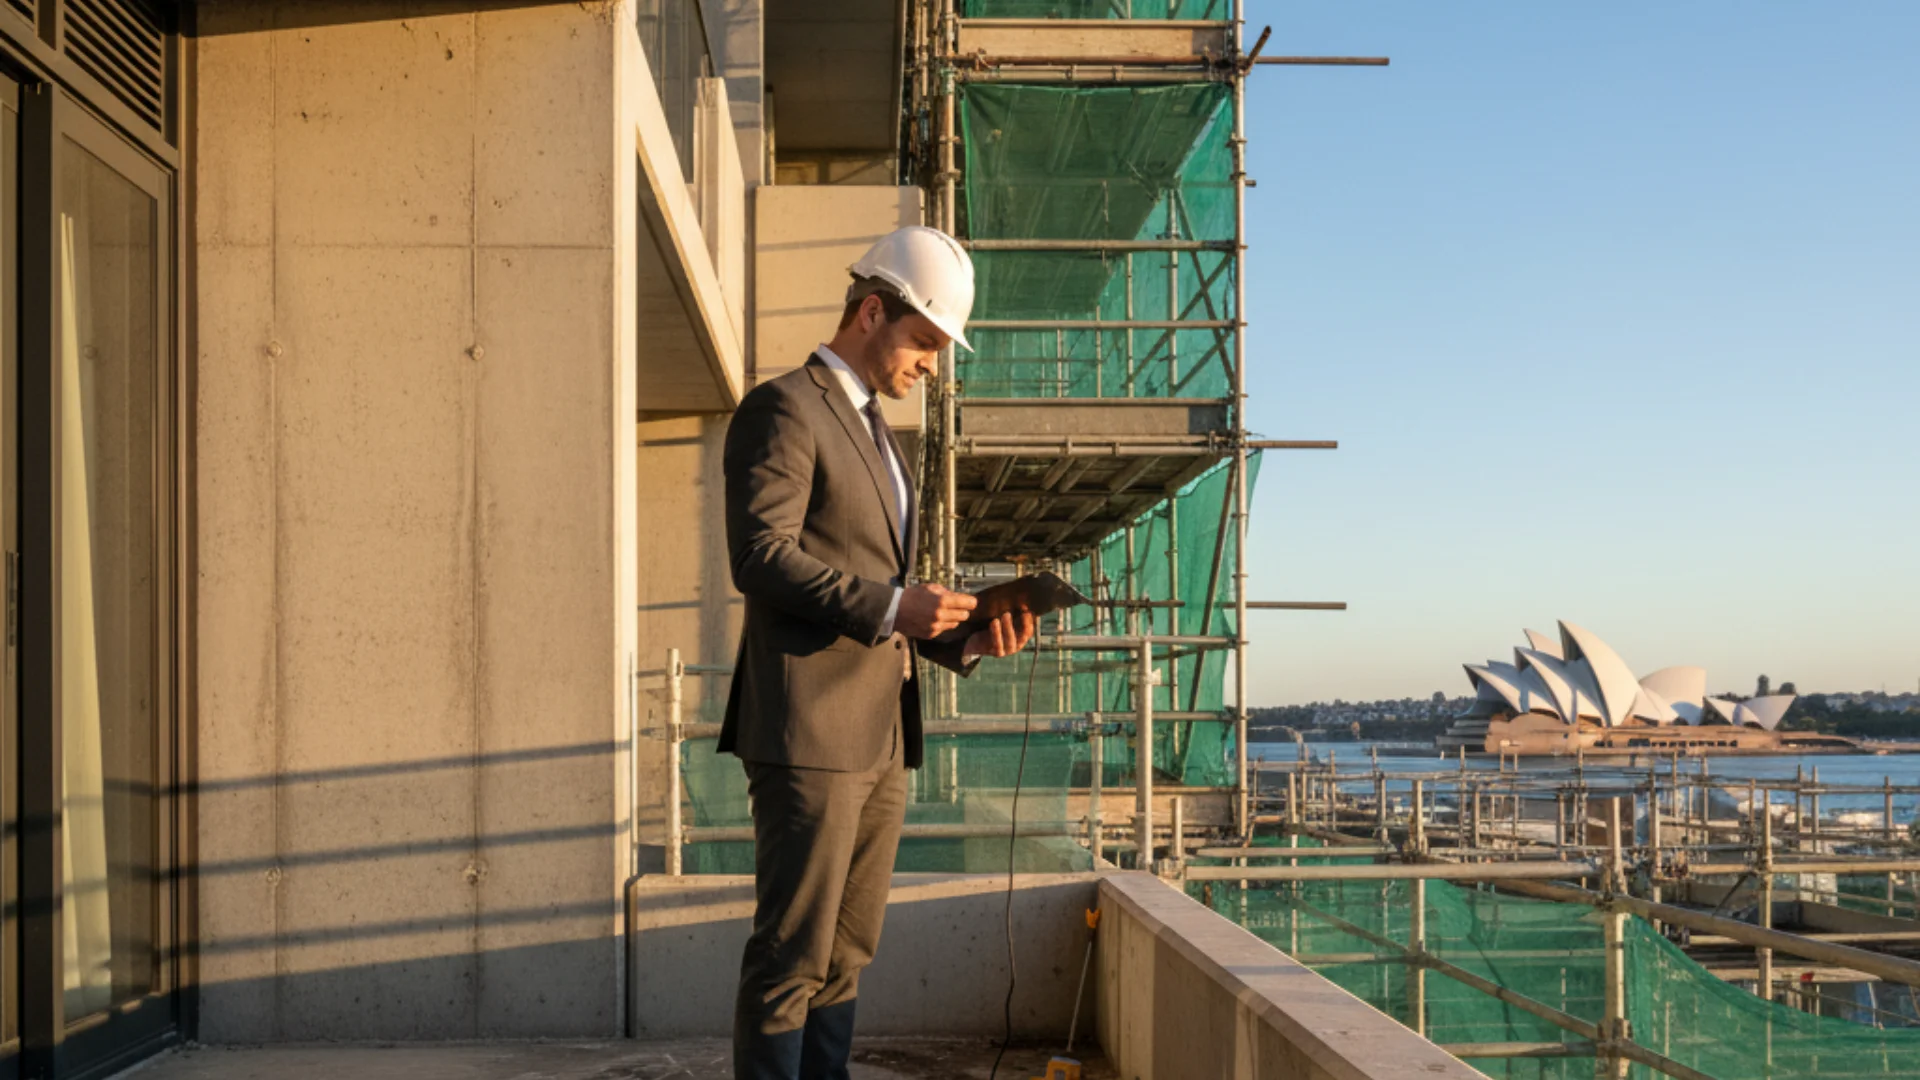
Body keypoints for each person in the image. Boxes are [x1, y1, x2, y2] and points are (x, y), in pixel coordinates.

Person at [719, 225, 1036, 1080]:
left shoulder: (880, 437)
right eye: (927, 341)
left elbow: (877, 594)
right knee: (792, 958)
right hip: (809, 734)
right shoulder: (784, 408)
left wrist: (965, 633)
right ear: (870, 311)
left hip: (880, 739)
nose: (933, 365)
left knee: (847, 955)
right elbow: (760, 556)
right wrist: (899, 604)